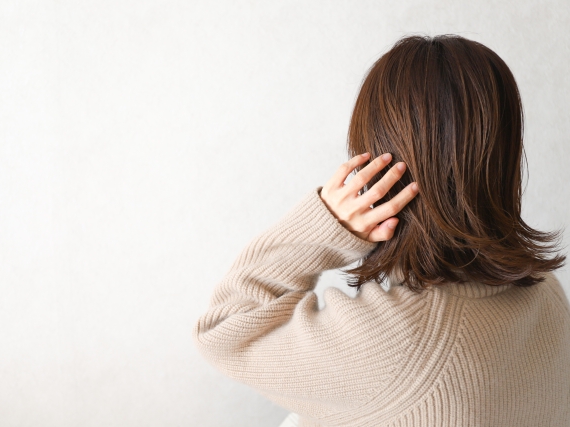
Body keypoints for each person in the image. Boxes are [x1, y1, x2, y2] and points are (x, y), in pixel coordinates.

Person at [192, 34, 570, 427]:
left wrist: (328, 223)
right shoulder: (546, 295)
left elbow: (223, 329)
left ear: (378, 171)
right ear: (503, 159)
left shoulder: (396, 347)